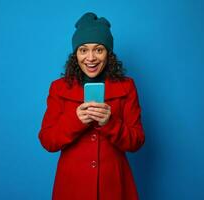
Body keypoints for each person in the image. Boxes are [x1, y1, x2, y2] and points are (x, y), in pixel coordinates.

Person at [38, 12, 145, 200]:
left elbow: (136, 141)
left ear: (108, 53)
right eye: (83, 50)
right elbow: (48, 140)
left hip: (114, 186)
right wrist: (75, 120)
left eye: (98, 49)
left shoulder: (126, 87)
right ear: (76, 54)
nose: (91, 58)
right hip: (72, 187)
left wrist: (110, 123)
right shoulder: (58, 88)